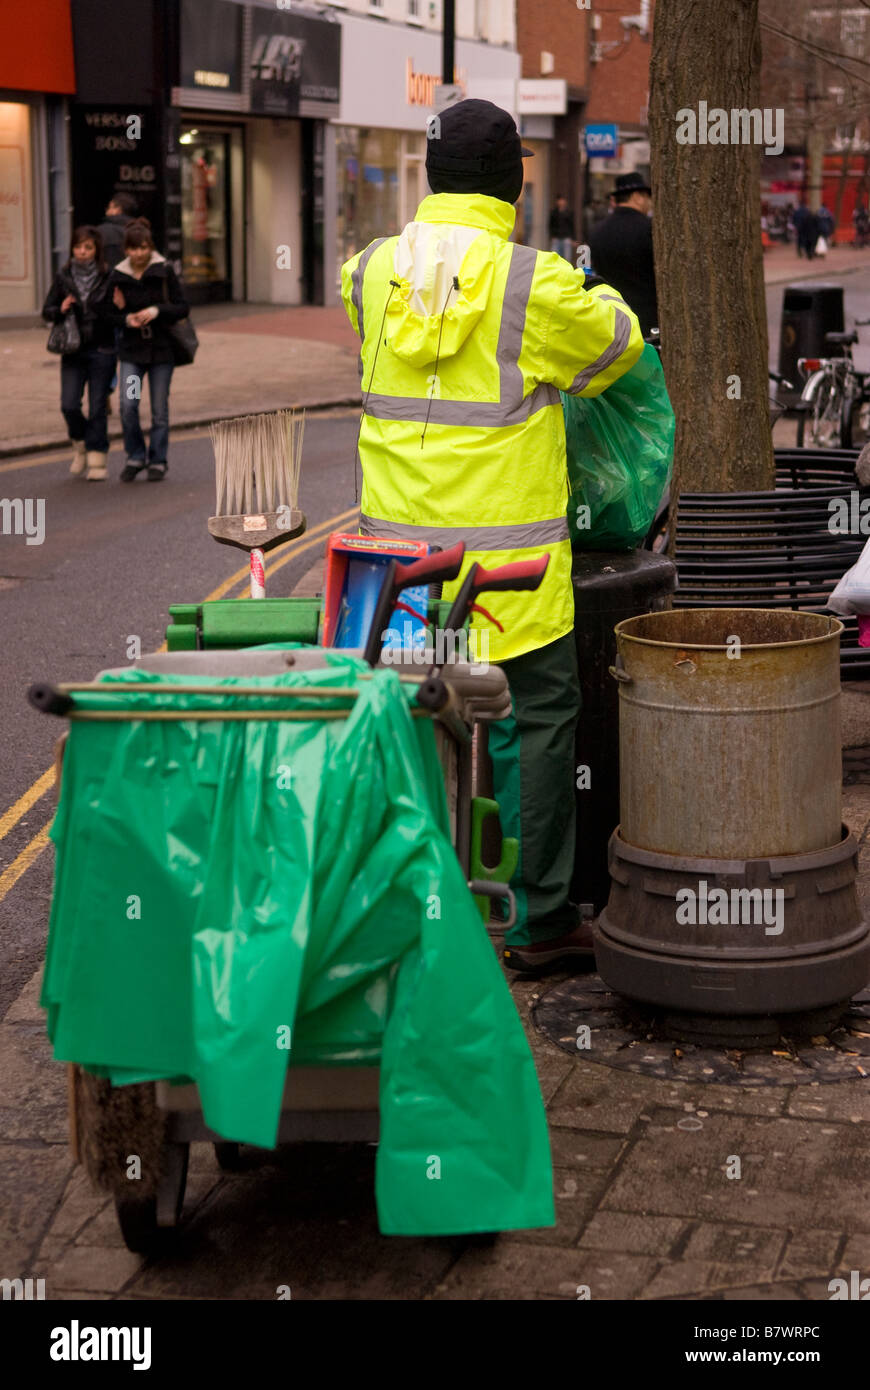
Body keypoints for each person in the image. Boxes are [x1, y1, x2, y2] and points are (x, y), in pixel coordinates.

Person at [341, 98, 643, 975]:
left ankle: (417, 898)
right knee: (540, 719)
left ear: (429, 179)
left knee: (414, 717)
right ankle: (538, 920)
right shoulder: (531, 283)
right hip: (507, 574)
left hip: (398, 567)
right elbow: (620, 350)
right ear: (516, 183)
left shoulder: (368, 273)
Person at [107, 219, 189, 482]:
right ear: (126, 249)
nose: (139, 253)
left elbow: (182, 308)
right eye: (134, 248)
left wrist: (156, 311)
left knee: (159, 410)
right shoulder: (117, 275)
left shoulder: (164, 270)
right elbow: (105, 313)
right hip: (132, 353)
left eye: (143, 248)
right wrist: (124, 317)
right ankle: (135, 456)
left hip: (161, 352)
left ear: (150, 247)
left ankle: (158, 460)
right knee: (128, 405)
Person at [42, 226, 116, 481]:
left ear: (97, 251)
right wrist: (59, 309)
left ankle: (97, 456)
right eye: (78, 247)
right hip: (72, 351)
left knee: (97, 407)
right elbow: (46, 311)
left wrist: (118, 307)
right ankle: (81, 444)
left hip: (102, 350)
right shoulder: (64, 276)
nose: (82, 252)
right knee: (69, 405)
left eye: (88, 248)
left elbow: (116, 315)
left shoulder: (108, 276)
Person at [587, 172, 658, 338]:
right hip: (647, 321)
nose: (649, 202)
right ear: (637, 197)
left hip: (611, 319)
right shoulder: (649, 229)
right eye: (647, 197)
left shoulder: (597, 231)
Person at [97, 193, 137, 271]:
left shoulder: (101, 231)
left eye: (108, 208)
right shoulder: (140, 231)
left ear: (118, 209)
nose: (106, 212)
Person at [548, 195, 575, 261]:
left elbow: (572, 226)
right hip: (556, 237)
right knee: (554, 257)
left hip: (566, 237)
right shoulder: (554, 213)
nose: (561, 202)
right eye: (560, 200)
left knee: (567, 258)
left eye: (562, 200)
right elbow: (550, 225)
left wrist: (573, 238)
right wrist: (551, 236)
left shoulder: (569, 213)